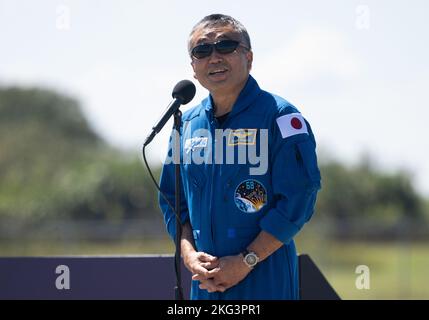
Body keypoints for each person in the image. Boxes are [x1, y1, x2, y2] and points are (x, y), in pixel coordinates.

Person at [159, 13, 321, 300]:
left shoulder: (281, 118)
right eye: (202, 50)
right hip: (206, 283)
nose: (214, 57)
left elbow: (299, 198)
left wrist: (246, 261)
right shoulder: (185, 125)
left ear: (249, 57)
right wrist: (188, 254)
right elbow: (174, 202)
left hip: (265, 281)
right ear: (193, 67)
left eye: (226, 46)